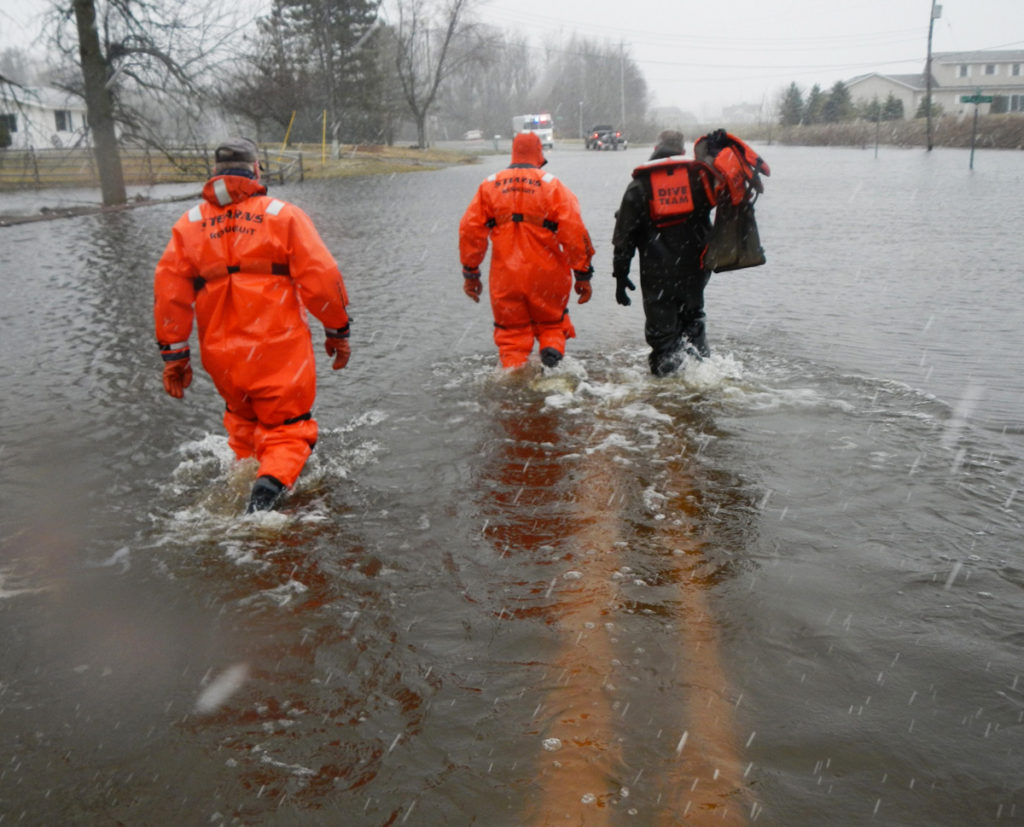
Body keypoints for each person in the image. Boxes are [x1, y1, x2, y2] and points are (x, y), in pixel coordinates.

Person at [153, 137, 351, 513]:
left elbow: (169, 293)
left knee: (243, 429)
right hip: (277, 349)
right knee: (289, 430)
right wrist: (337, 330)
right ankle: (263, 504)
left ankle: (244, 486)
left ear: (215, 174)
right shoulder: (282, 215)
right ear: (256, 170)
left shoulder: (188, 225)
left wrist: (173, 354)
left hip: (222, 357)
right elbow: (322, 276)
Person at [459, 131, 595, 370]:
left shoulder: (488, 185)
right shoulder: (553, 186)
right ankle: (551, 353)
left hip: (505, 279)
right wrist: (582, 274)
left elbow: (469, 230)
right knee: (552, 324)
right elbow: (574, 231)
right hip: (547, 275)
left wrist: (471, 273)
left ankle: (514, 382)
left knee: (511, 336)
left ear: (513, 151)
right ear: (539, 152)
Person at [611, 129, 718, 376]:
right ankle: (702, 379)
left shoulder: (639, 185)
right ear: (682, 151)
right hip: (696, 270)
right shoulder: (699, 179)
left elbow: (624, 236)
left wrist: (620, 275)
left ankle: (667, 394)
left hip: (657, 272)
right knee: (693, 321)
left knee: (663, 337)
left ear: (656, 148)